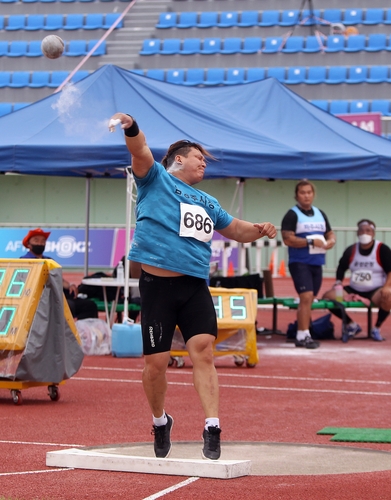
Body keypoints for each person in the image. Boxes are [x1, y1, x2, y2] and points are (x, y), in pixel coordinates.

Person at [108, 112, 277, 460]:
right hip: (157, 288)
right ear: (178, 160)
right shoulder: (155, 179)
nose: (204, 164)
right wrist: (131, 125)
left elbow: (237, 231)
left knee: (203, 350)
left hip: (194, 288)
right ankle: (160, 421)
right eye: (199, 158)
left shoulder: (209, 203)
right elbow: (140, 151)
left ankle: (212, 427)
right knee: (156, 365)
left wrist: (260, 228)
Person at [281, 180, 335, 349]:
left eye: (309, 192)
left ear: (313, 194)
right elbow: (287, 238)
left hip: (316, 263)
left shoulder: (320, 213)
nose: (306, 195)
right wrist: (310, 241)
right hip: (299, 262)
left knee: (309, 299)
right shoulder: (292, 214)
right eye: (302, 192)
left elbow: (330, 233)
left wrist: (331, 241)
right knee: (305, 297)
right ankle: (302, 335)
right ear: (297, 195)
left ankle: (304, 330)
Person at [322, 219, 391, 342]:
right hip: (353, 290)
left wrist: (387, 286)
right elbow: (341, 267)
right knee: (329, 297)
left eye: (368, 230)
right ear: (357, 233)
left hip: (375, 290)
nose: (364, 233)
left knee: (388, 297)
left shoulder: (382, 249)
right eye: (361, 231)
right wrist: (338, 282)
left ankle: (376, 328)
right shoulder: (351, 250)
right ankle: (351, 324)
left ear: (373, 233)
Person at [21, 228, 98, 321]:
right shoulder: (24, 261)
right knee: (68, 306)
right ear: (28, 244)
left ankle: (84, 333)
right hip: (42, 299)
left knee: (89, 305)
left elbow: (58, 279)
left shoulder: (50, 261)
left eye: (43, 241)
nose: (40, 243)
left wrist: (70, 286)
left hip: (58, 296)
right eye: (36, 240)